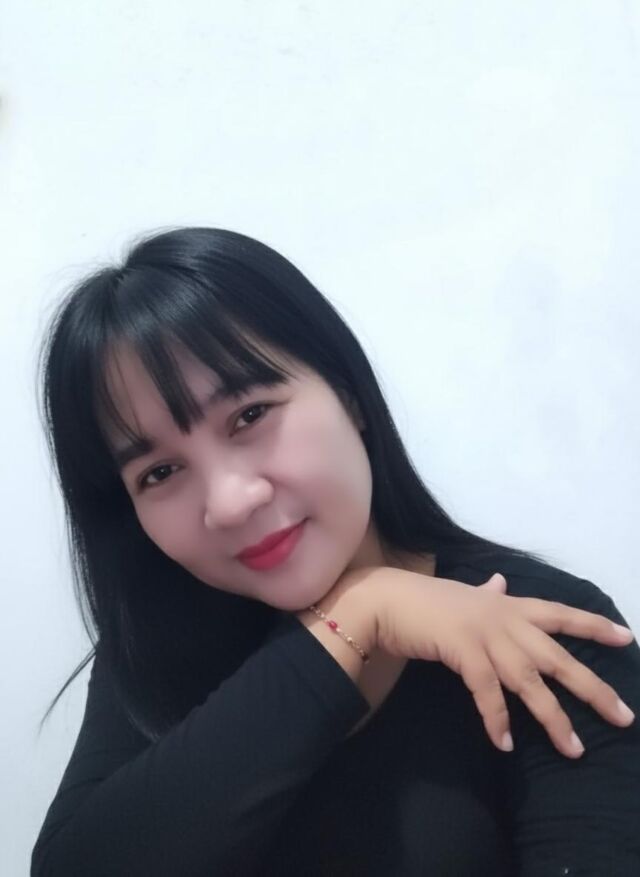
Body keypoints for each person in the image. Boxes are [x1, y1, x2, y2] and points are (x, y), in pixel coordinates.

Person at [31, 227, 640, 876]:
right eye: (158, 473)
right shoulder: (154, 652)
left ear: (348, 395)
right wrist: (359, 614)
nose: (230, 502)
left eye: (249, 415)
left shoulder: (541, 627)